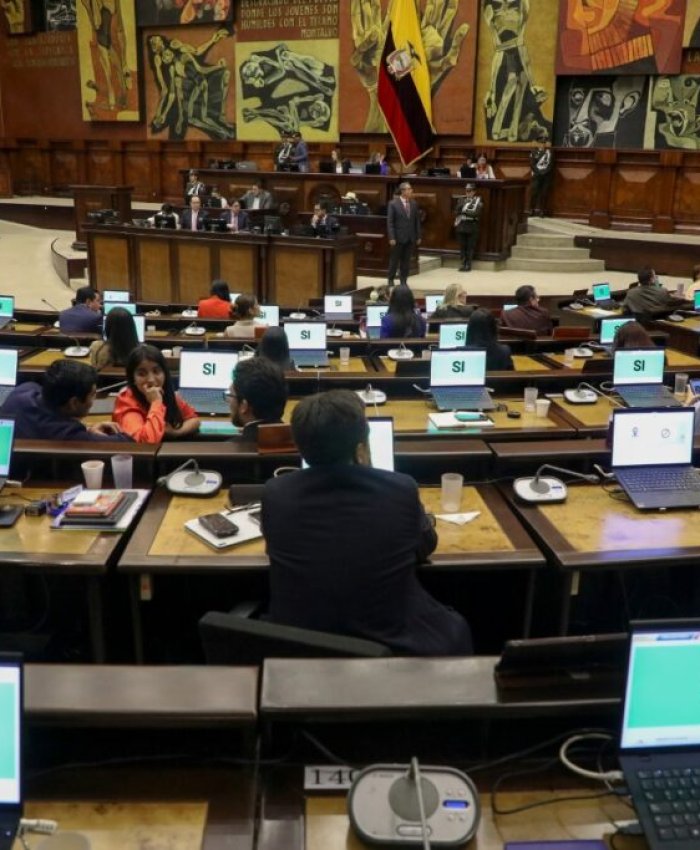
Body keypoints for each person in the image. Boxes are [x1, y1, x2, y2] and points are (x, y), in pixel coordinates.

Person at [262, 389, 472, 655]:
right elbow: (425, 546)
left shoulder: (275, 493)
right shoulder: (400, 489)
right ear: (360, 449)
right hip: (393, 644)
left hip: (302, 648)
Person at [0, 360, 128, 442]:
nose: (94, 399)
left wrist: (88, 428)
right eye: (93, 394)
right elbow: (126, 442)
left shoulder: (23, 390)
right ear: (73, 403)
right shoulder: (67, 434)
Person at [113, 344, 200, 443]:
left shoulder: (167, 393)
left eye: (156, 371)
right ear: (133, 378)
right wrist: (156, 402)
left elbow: (193, 419)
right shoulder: (127, 402)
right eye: (142, 374)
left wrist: (176, 432)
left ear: (164, 374)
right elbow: (145, 442)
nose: (151, 379)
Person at [227, 357, 288, 443]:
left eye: (230, 395)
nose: (228, 401)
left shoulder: (228, 450)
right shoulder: (302, 446)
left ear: (244, 406)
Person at [387, 182, 421, 288]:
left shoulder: (414, 203)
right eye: (409, 189)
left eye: (411, 189)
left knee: (406, 262)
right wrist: (392, 237)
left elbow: (417, 221)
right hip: (398, 237)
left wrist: (418, 236)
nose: (411, 191)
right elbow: (390, 222)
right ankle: (391, 279)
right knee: (394, 260)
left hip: (410, 237)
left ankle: (403, 280)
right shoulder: (393, 204)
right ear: (403, 191)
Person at [453, 183, 483, 272]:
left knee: (470, 247)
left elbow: (475, 213)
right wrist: (463, 210)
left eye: (469, 191)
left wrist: (463, 211)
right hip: (462, 226)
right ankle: (463, 263)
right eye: (466, 191)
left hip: (472, 226)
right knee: (462, 246)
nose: (467, 193)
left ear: (474, 192)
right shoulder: (461, 200)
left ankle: (468, 264)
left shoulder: (478, 202)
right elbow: (456, 211)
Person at [530, 131, 554, 217]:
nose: (542, 143)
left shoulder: (549, 152)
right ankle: (531, 210)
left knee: (544, 193)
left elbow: (550, 164)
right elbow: (532, 164)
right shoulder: (533, 152)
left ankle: (541, 211)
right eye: (541, 141)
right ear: (538, 142)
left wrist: (544, 172)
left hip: (546, 176)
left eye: (544, 142)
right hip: (537, 175)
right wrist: (538, 172)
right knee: (534, 193)